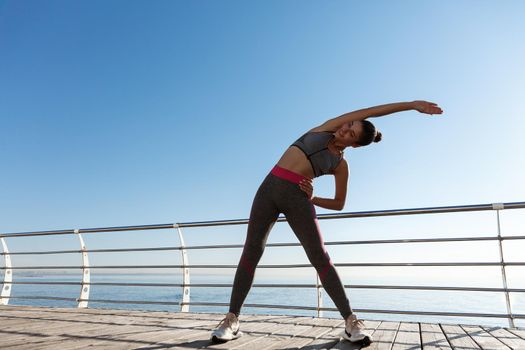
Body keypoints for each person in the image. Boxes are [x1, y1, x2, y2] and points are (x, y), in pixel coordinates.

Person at [210, 100, 443, 344]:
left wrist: (314, 198)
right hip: (268, 190)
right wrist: (412, 105)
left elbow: (339, 203)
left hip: (298, 197)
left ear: (354, 144)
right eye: (349, 124)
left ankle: (351, 321)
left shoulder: (340, 165)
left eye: (350, 133)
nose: (344, 129)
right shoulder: (327, 128)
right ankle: (231, 319)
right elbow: (373, 111)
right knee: (252, 251)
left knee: (319, 256)